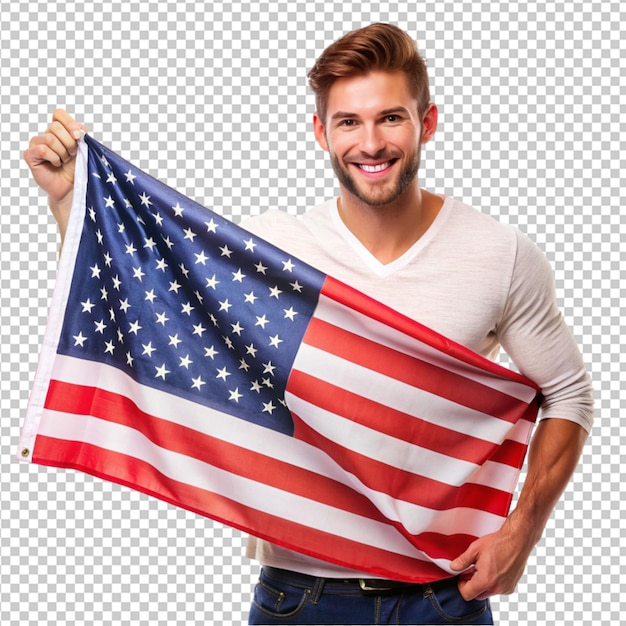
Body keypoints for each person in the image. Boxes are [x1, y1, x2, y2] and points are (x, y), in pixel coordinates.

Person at [24, 22, 593, 626]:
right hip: (299, 600)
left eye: (390, 118)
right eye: (349, 122)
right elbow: (144, 320)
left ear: (427, 123)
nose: (371, 143)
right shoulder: (273, 251)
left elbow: (569, 394)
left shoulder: (499, 255)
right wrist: (69, 202)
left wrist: (523, 530)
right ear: (321, 132)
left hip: (444, 596)